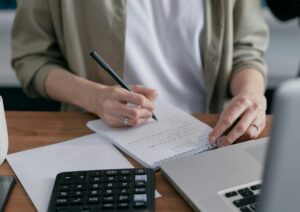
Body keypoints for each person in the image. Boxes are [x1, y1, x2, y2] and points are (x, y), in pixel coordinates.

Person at [11, 0, 268, 147]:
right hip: (99, 140)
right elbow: (32, 58)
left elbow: (245, 51)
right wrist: (95, 97)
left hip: (209, 137)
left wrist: (251, 94)